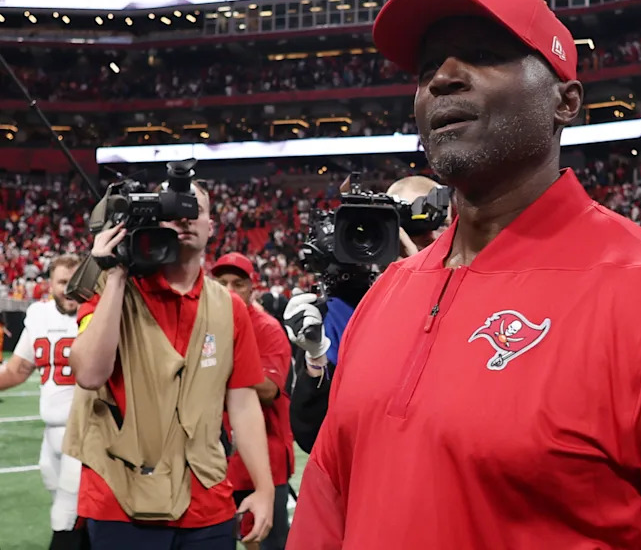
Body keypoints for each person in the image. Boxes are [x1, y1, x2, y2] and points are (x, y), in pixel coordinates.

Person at [287, 0, 641, 549]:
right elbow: (327, 509)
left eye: (482, 55)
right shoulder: (386, 297)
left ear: (565, 101)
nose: (443, 79)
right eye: (428, 67)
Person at [65, 180, 275, 549]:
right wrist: (114, 274)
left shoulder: (231, 307)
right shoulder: (111, 288)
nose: (184, 218)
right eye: (171, 209)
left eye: (195, 210)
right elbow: (90, 373)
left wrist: (264, 487)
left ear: (211, 226)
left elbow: (242, 402)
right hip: (121, 500)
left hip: (207, 500)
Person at [286, 174, 447, 452]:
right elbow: (311, 433)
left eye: (440, 223)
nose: (427, 236)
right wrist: (316, 357)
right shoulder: (344, 313)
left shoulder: (479, 300)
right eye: (406, 226)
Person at [0, 254, 89, 550]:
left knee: (65, 516)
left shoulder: (100, 313)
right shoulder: (40, 315)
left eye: (76, 282)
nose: (70, 289)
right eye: (63, 282)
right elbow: (17, 370)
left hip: (86, 433)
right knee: (65, 505)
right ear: (50, 285)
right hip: (50, 435)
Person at [212, 253, 294, 550]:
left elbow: (268, 389)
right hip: (217, 462)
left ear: (252, 287)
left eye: (238, 283)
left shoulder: (268, 329)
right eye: (221, 283)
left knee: (268, 543)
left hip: (264, 461)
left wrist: (216, 370)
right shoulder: (206, 323)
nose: (229, 290)